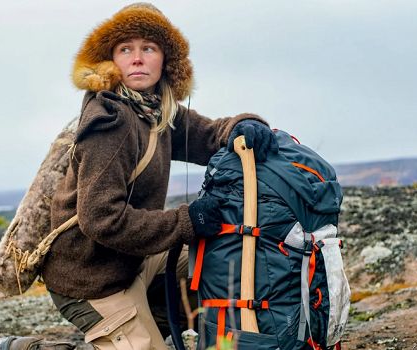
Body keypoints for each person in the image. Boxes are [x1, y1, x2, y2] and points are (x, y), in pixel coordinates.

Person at [41, 3, 278, 349]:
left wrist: (243, 124)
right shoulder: (110, 124)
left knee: (226, 268)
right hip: (92, 279)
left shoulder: (155, 109)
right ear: (111, 61)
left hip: (135, 259)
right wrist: (186, 220)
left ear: (166, 61)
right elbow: (101, 219)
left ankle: (138, 326)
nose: (137, 58)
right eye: (126, 49)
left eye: (148, 48)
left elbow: (208, 135)